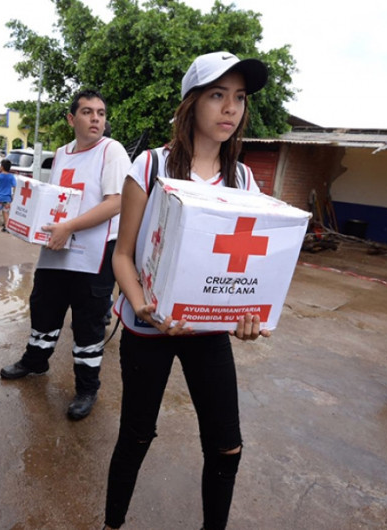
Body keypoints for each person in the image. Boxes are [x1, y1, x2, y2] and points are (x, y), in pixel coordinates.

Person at [102, 51, 270, 530]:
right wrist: (143, 307)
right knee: (135, 436)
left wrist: (246, 314)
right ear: (191, 103)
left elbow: (243, 273)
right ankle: (112, 524)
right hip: (148, 327)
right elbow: (122, 255)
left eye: (238, 98)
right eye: (218, 95)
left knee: (227, 445)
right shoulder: (151, 166)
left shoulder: (242, 180)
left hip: (206, 330)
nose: (230, 108)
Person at [0, 89, 131, 420]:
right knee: (44, 306)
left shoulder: (111, 151)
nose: (96, 118)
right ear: (72, 119)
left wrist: (69, 227)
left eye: (101, 113)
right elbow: (54, 199)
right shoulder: (61, 154)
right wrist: (34, 225)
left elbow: (116, 202)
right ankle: (35, 360)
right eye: (88, 112)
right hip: (58, 248)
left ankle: (87, 387)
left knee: (88, 322)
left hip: (95, 252)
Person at [0, 158, 16, 232]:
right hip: (7, 198)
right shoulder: (11, 176)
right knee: (6, 212)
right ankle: (6, 227)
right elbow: (14, 186)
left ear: (2, 167)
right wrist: (13, 196)